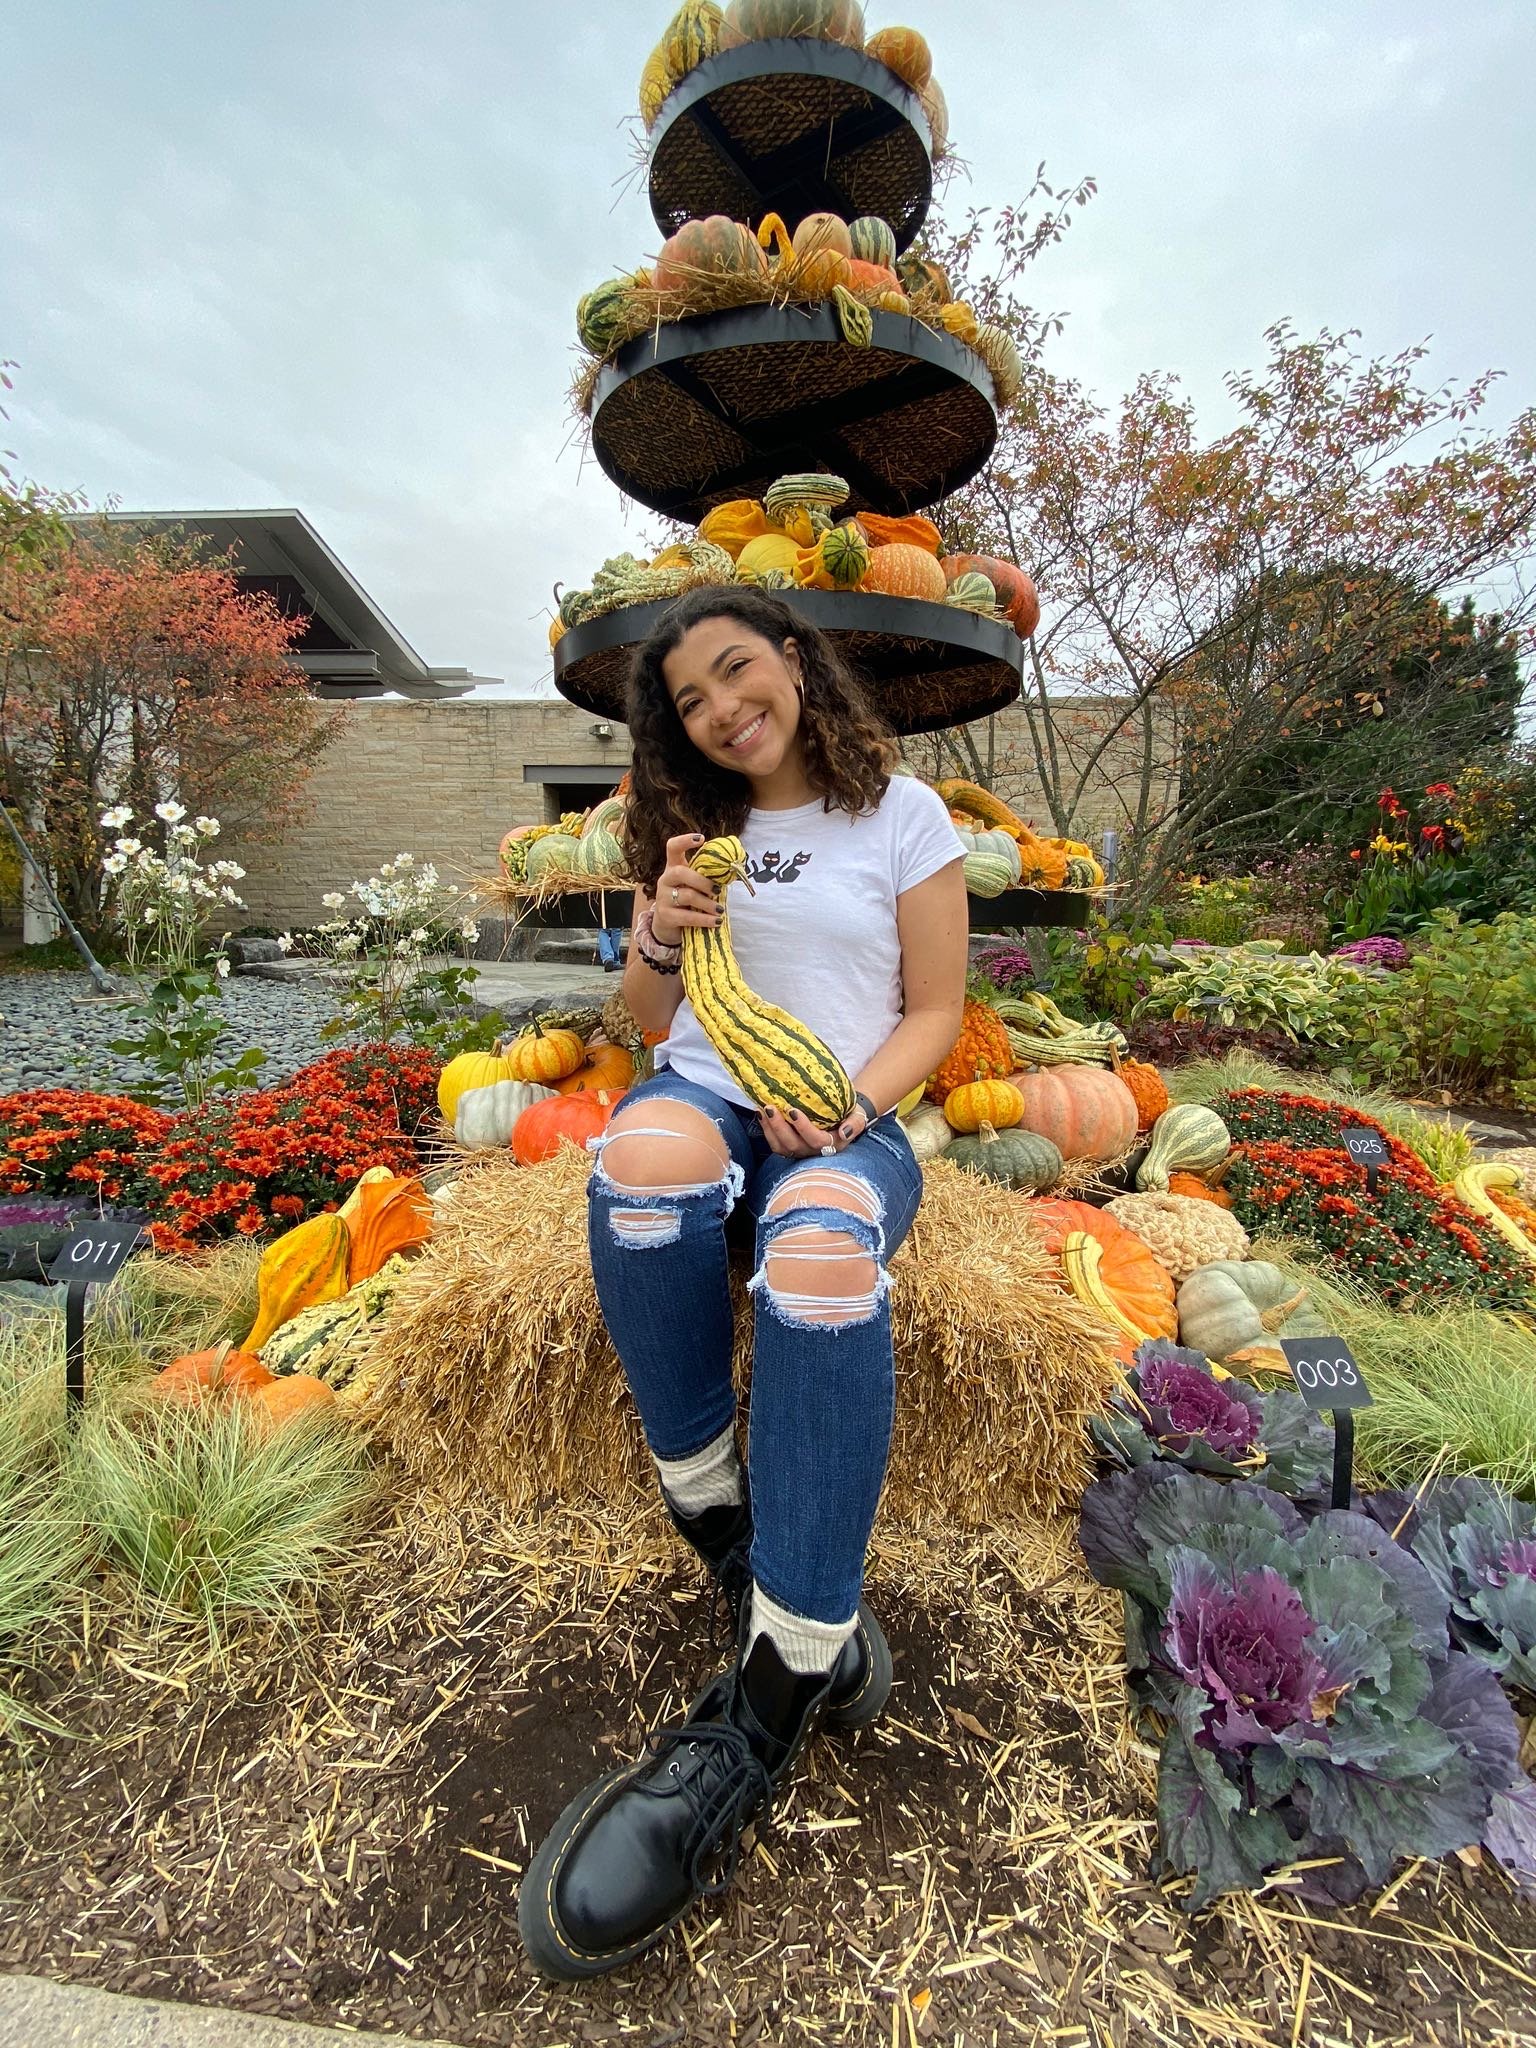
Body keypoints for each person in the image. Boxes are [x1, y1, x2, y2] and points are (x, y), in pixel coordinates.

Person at [518, 585, 966, 1981]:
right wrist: (656, 924)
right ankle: (713, 1508)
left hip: (846, 1109)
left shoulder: (901, 816)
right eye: (692, 700)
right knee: (640, 1162)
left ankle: (771, 1690)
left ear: (791, 660)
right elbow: (652, 1023)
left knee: (822, 1249)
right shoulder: (687, 832)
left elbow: (936, 1013)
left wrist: (844, 1110)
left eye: (737, 670)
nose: (723, 707)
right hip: (711, 1095)